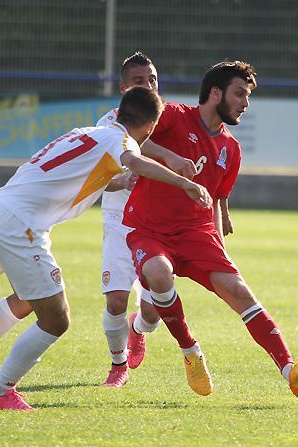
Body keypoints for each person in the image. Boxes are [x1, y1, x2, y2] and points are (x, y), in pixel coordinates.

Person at [0, 86, 211, 410]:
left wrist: (120, 182)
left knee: (25, 300)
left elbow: (79, 175)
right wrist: (186, 183)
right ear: (150, 126)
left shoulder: (90, 133)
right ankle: (1, 390)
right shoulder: (122, 142)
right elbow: (135, 161)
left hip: (3, 208)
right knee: (56, 319)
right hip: (22, 224)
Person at [124, 61, 298, 398]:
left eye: (248, 96)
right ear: (215, 93)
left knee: (240, 292)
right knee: (158, 277)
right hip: (149, 229)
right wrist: (170, 157)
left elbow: (214, 200)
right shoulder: (173, 115)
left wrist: (220, 247)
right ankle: (190, 350)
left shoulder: (232, 148)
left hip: (196, 234)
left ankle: (290, 371)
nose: (245, 103)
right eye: (239, 94)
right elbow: (132, 141)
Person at [96, 52, 232, 388]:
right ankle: (118, 365)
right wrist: (127, 178)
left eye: (152, 80)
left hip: (157, 225)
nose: (148, 86)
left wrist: (220, 213)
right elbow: (107, 170)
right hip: (119, 219)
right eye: (139, 81)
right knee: (115, 299)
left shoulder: (171, 117)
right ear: (124, 88)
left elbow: (214, 169)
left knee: (152, 311)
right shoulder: (110, 123)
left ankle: (138, 328)